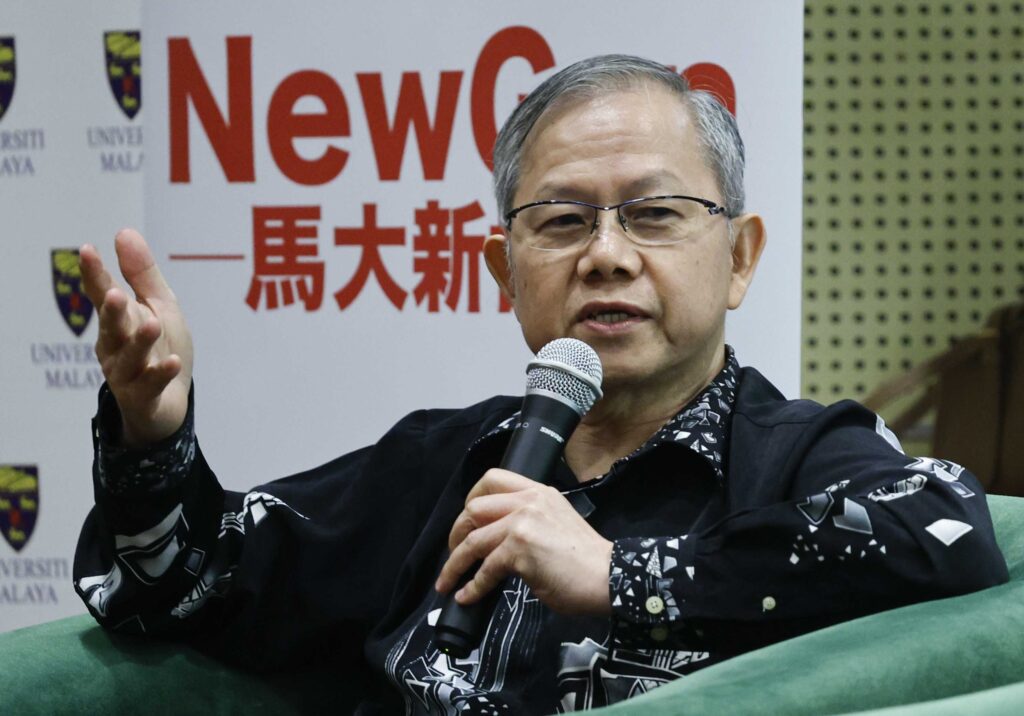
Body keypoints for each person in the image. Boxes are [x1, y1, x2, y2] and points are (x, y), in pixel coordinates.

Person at [73, 55, 1008, 713]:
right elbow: (187, 584)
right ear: (505, 271)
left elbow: (948, 535)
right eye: (562, 221)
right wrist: (152, 434)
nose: (606, 255)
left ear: (739, 257)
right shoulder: (445, 462)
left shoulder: (796, 453)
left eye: (654, 214)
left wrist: (622, 578)